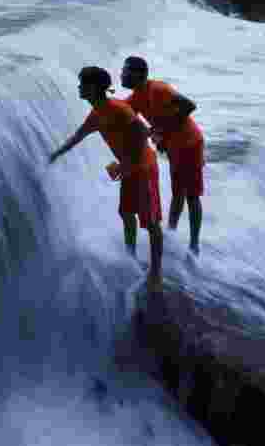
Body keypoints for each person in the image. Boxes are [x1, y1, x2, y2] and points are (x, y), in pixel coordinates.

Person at [49, 67, 164, 290]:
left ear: (93, 88)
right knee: (127, 213)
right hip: (130, 168)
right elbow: (77, 136)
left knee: (150, 222)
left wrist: (124, 163)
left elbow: (142, 134)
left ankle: (156, 272)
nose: (79, 87)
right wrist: (55, 155)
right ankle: (131, 258)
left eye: (82, 84)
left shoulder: (117, 108)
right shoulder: (97, 113)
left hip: (143, 167)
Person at [120, 56, 204, 255]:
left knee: (191, 195)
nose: (121, 75)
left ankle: (194, 245)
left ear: (139, 74)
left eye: (126, 71)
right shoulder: (135, 97)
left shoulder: (159, 89)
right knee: (178, 193)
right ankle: (172, 234)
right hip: (174, 149)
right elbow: (120, 112)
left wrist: (162, 130)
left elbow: (190, 105)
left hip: (190, 144)